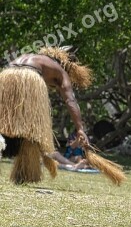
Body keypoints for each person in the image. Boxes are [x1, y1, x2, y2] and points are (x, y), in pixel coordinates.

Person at [0, 47, 91, 184]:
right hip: (30, 77)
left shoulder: (34, 58)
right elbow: (70, 100)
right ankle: (25, 174)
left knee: (5, 124)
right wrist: (80, 128)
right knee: (34, 131)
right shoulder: (60, 70)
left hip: (6, 75)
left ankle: (24, 172)